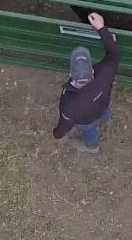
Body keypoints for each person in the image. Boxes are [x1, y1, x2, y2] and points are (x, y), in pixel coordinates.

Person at [51, 12, 120, 153]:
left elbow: (65, 123)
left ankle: (92, 146)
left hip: (86, 119)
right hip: (102, 105)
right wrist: (101, 27)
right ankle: (108, 120)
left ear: (71, 74)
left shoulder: (69, 104)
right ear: (92, 71)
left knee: (88, 130)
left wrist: (57, 134)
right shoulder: (105, 73)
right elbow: (114, 54)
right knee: (104, 111)